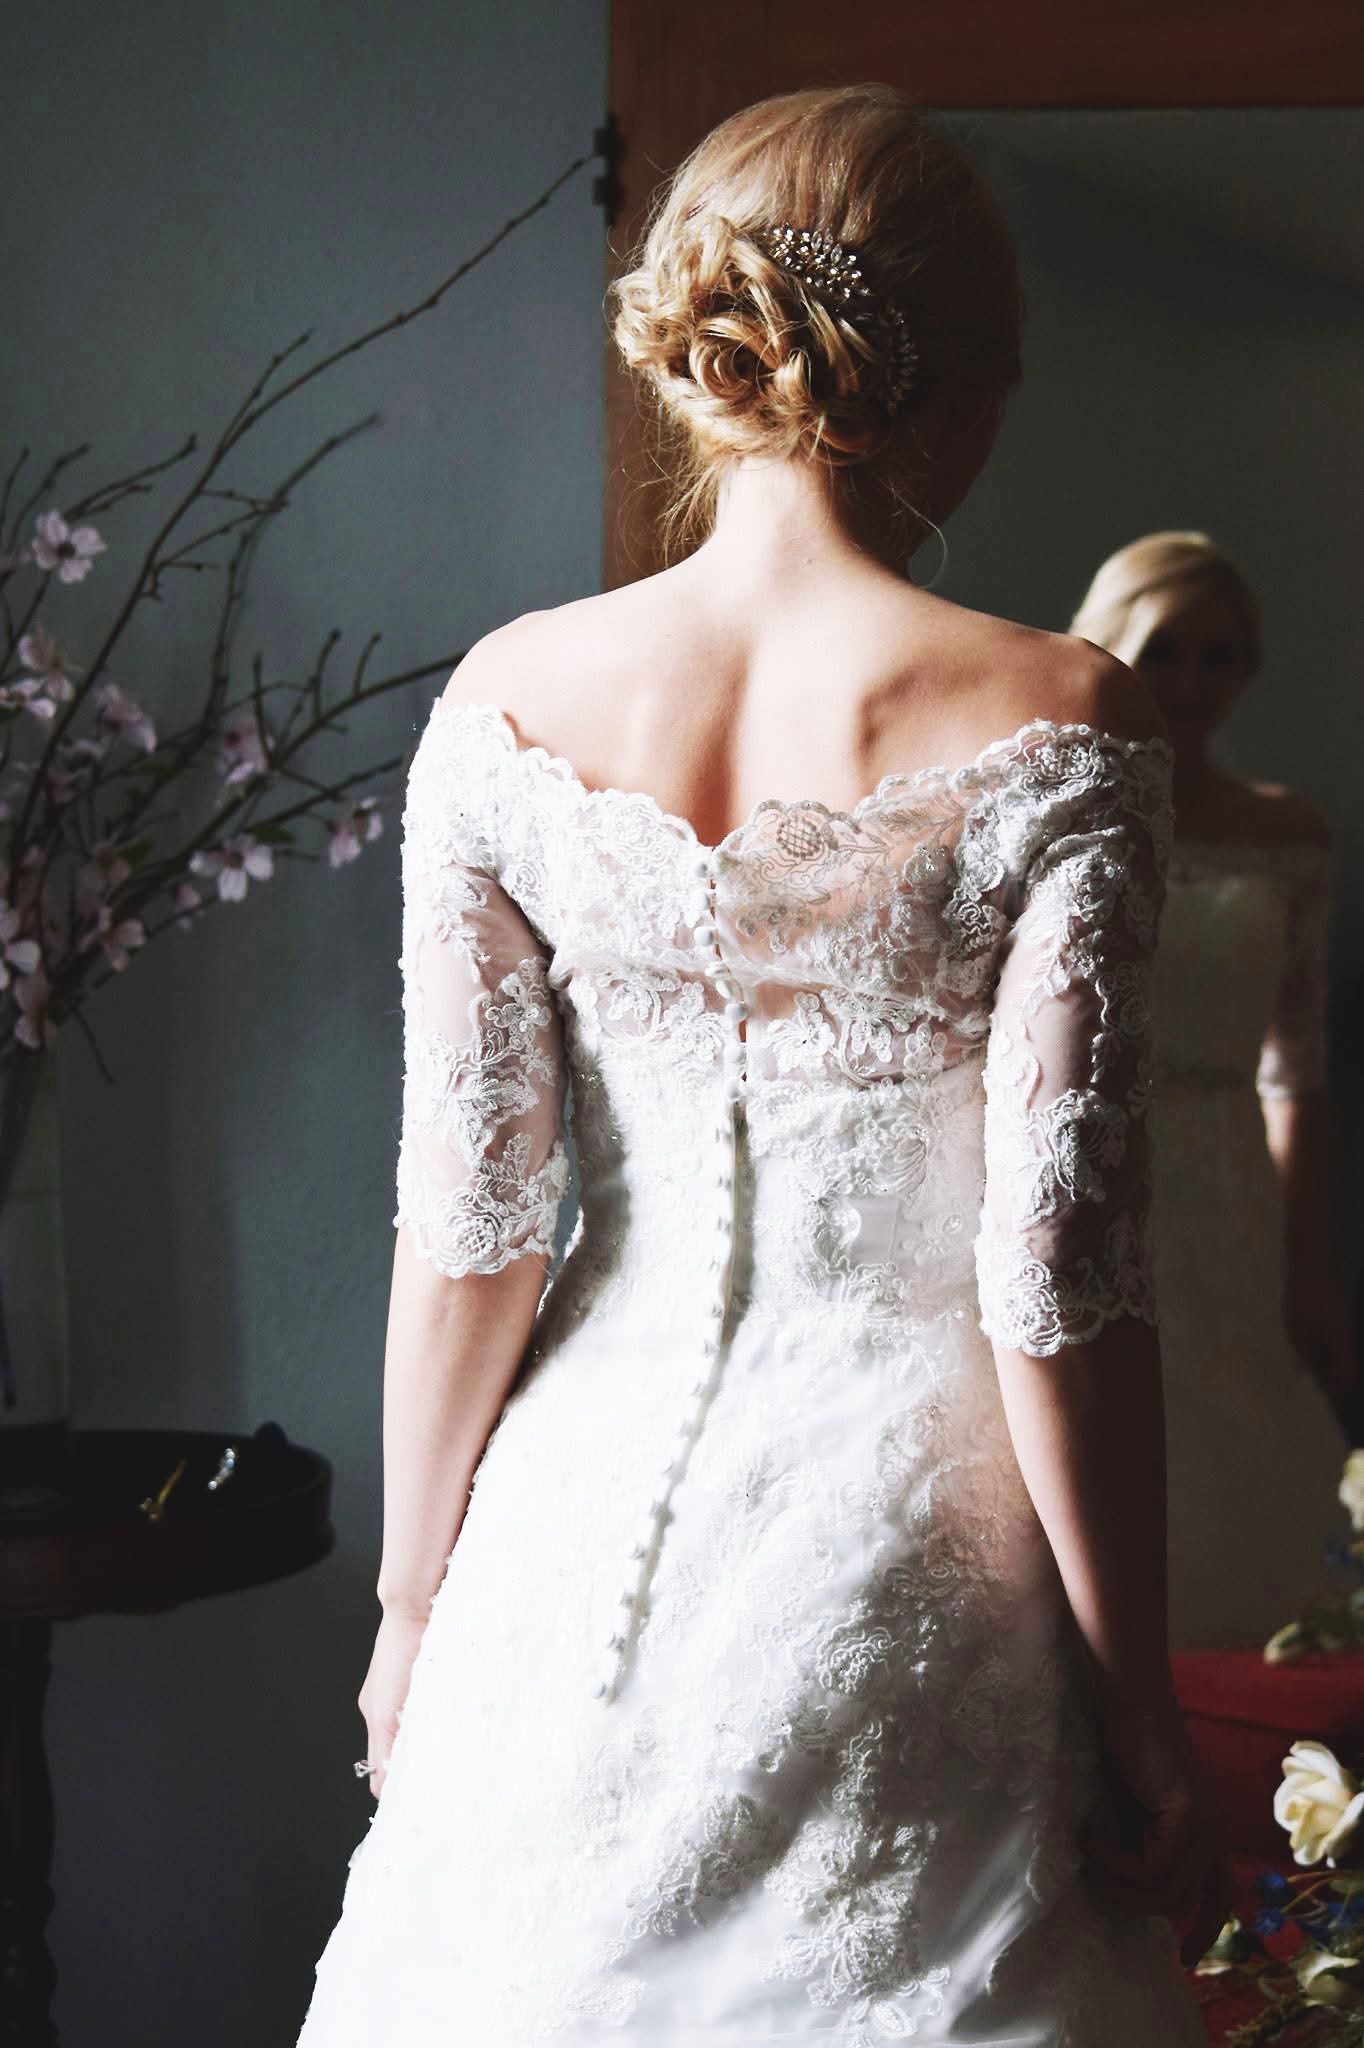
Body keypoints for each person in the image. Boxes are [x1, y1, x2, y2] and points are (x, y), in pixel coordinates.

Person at [298, 86, 1223, 2045]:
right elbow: (1052, 1276)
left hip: (564, 1554)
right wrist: (1141, 1697)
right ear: (961, 390)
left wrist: (410, 1611)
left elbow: (466, 1231)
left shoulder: (506, 701)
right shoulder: (1065, 719)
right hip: (904, 1546)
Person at [1072, 533, 1352, 1649]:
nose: (1190, 684)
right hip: (1094, 1152)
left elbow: (1300, 1066)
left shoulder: (1286, 831)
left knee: (1235, 1415)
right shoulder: (1069, 805)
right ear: (1112, 647)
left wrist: (1307, 1264)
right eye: (1165, 651)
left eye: (1220, 656)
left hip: (1227, 1167)